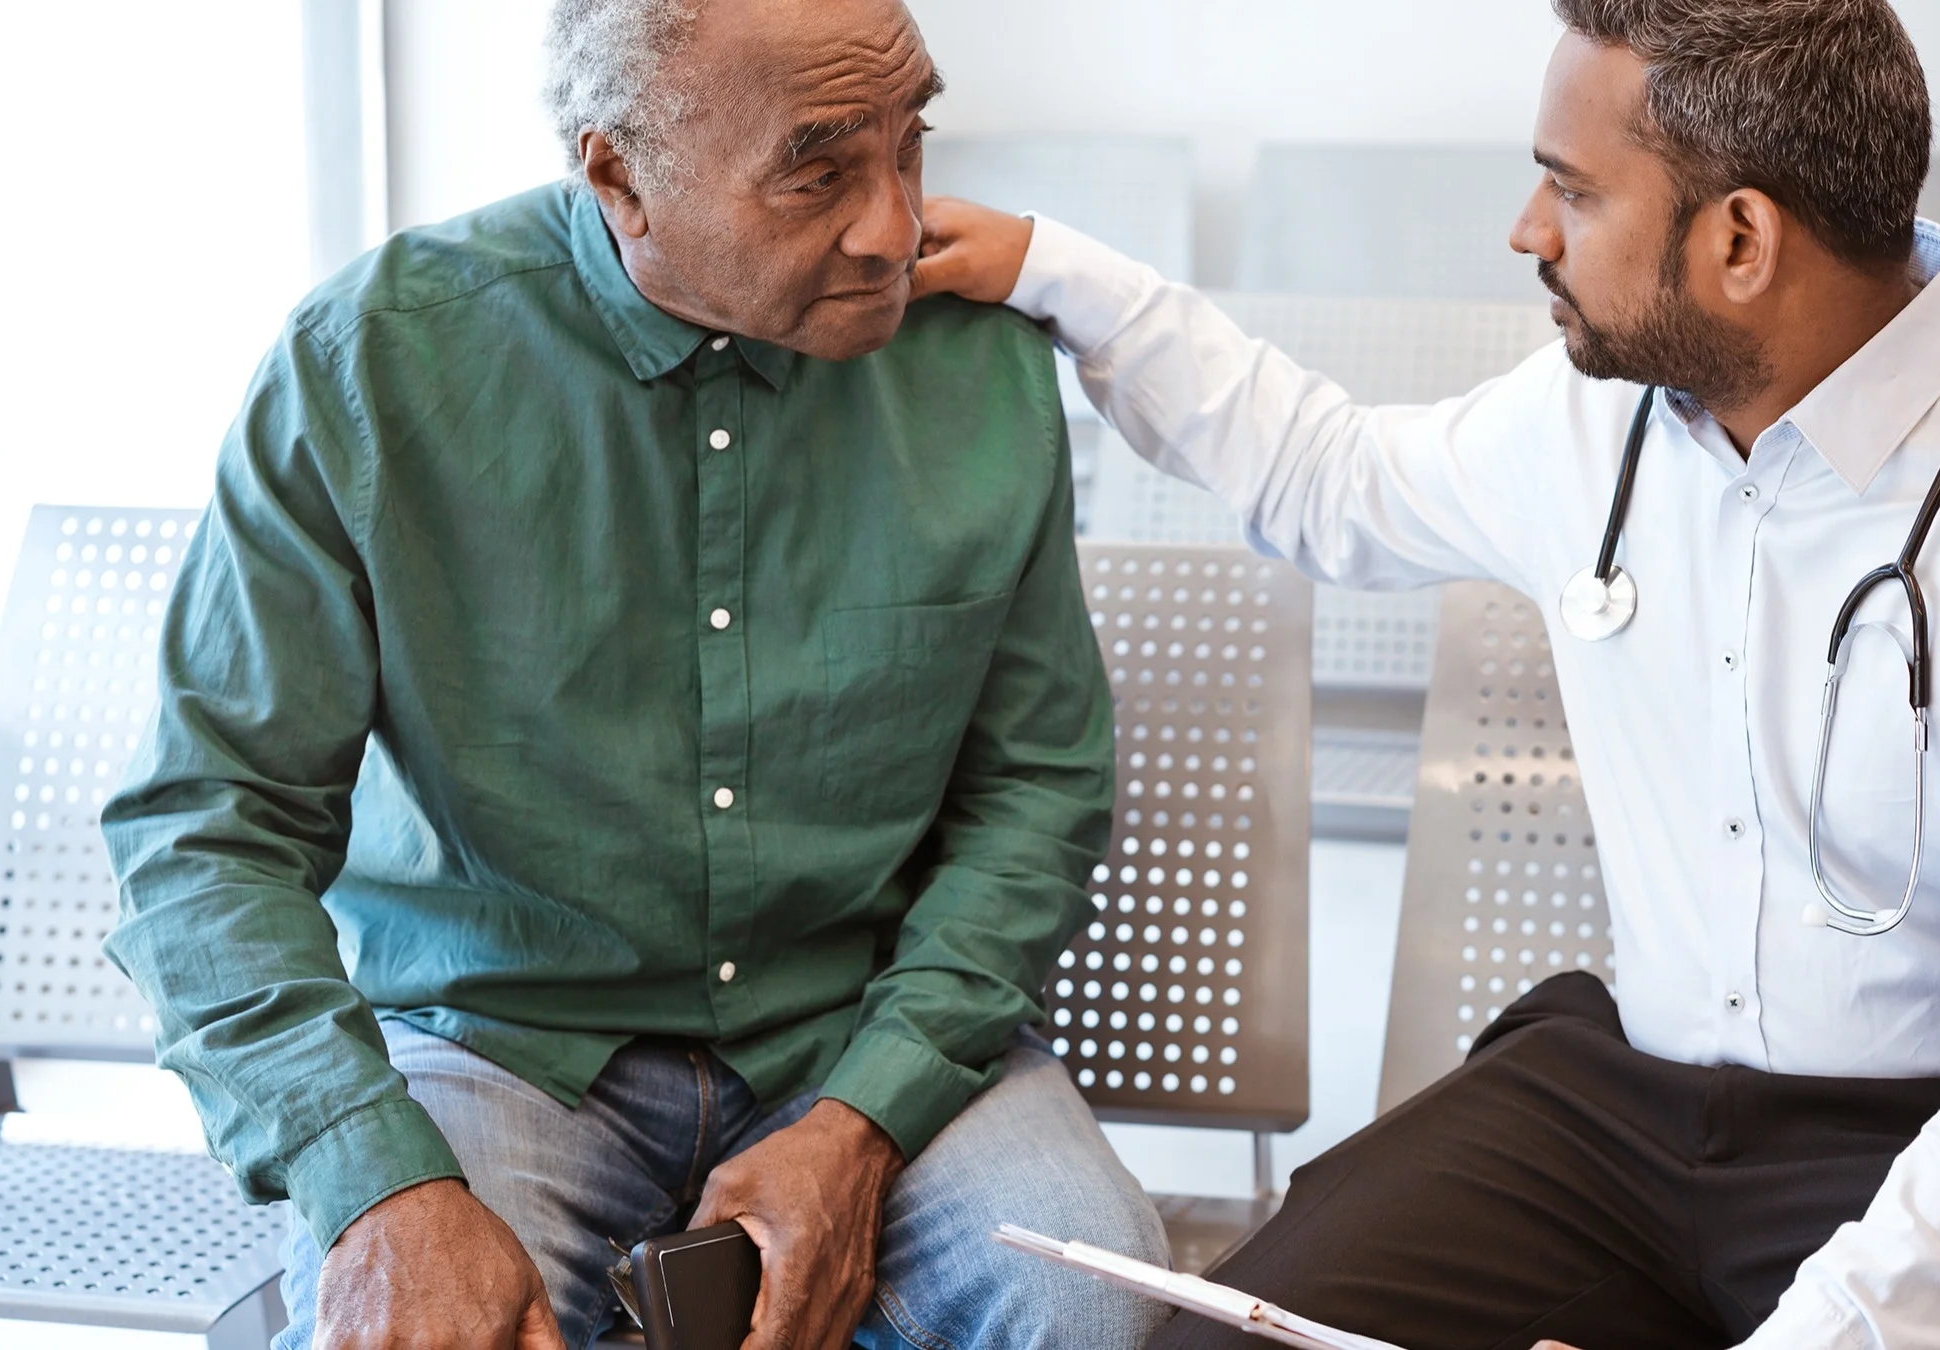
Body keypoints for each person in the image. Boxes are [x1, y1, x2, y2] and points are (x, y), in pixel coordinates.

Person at [915, 1, 1940, 1347]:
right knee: (1232, 1337)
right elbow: (1327, 474)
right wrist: (1046, 266)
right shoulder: (1593, 420)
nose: (1528, 230)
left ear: (1739, 240)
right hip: (1633, 1111)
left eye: (1572, 188)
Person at [97, 0, 1173, 1347]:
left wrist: (864, 1111)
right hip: (496, 1035)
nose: (896, 224)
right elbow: (207, 830)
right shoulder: (369, 363)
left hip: (864, 1026)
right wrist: (376, 1177)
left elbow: (1037, 791)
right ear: (621, 180)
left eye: (912, 145)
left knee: (1094, 1305)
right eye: (820, 169)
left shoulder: (983, 368)